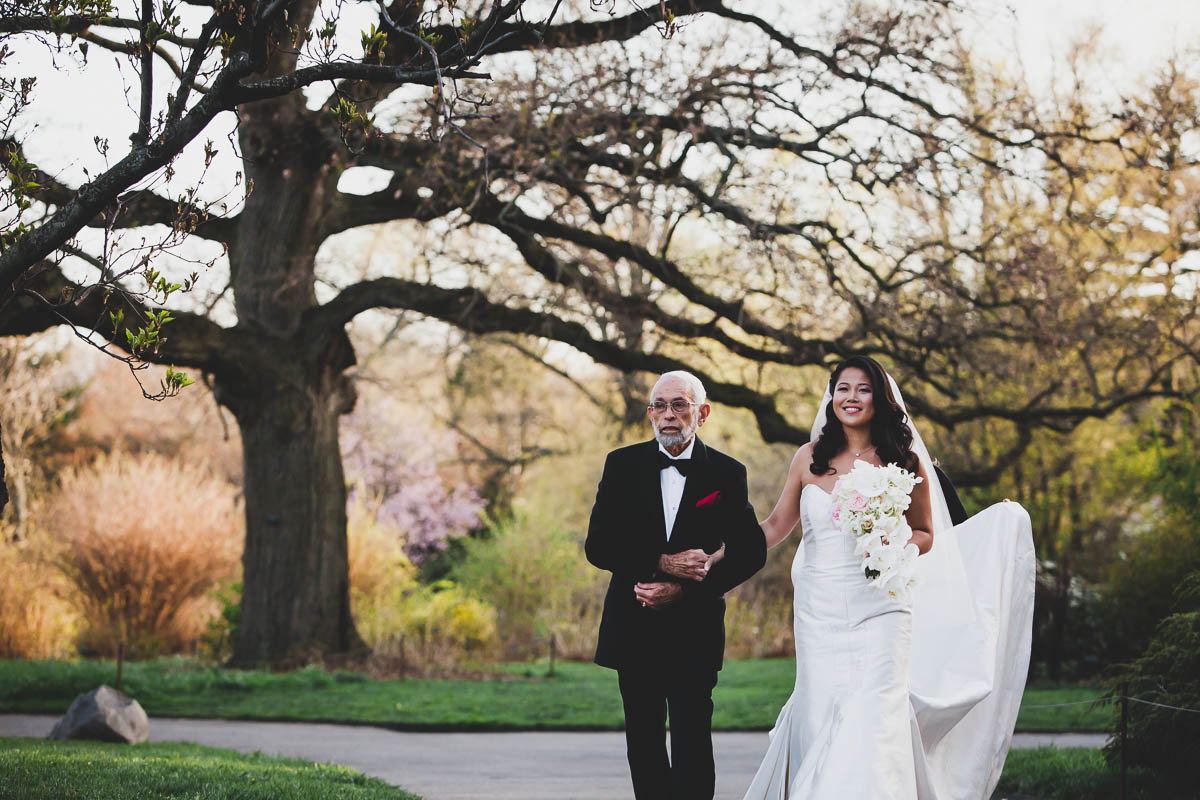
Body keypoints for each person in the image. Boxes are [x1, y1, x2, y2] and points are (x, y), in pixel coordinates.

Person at [743, 355, 1035, 800]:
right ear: (831, 395)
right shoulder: (808, 458)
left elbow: (926, 533)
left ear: (879, 399)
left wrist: (893, 548)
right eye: (843, 388)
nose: (851, 398)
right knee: (820, 711)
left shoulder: (904, 459)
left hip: (881, 604)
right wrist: (722, 553)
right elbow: (775, 526)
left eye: (863, 389)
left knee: (874, 710)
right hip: (819, 611)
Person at [586, 370, 767, 800]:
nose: (668, 416)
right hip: (633, 626)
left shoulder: (727, 473)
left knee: (692, 742)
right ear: (650, 412)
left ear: (701, 413)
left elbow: (749, 552)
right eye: (659, 406)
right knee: (643, 743)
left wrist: (685, 590)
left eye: (679, 405)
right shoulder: (621, 464)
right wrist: (660, 562)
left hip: (695, 628)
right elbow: (598, 546)